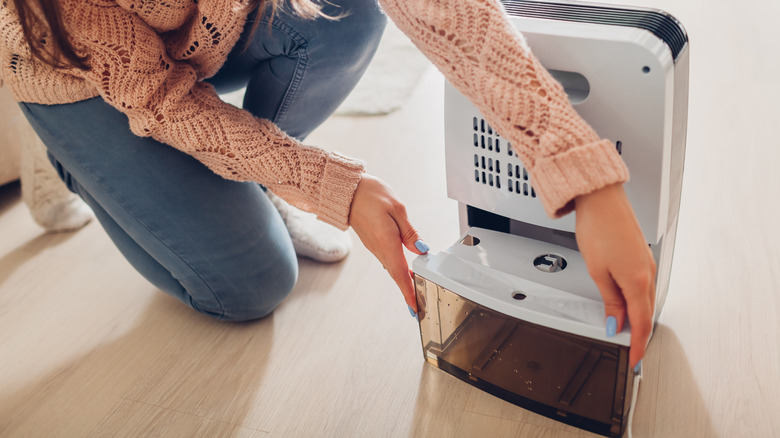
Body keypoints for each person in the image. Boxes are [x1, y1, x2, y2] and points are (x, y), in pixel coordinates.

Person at [0, 0, 655, 369]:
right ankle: (72, 157)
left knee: (350, 10)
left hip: (206, 36)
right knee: (250, 288)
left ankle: (251, 177)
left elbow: (445, 11)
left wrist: (579, 171)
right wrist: (330, 184)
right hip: (76, 66)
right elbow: (167, 104)